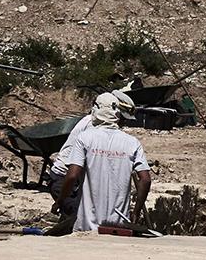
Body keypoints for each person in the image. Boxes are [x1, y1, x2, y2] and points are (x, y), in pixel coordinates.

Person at [54, 94, 153, 234]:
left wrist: (59, 201)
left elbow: (72, 176)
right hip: (117, 228)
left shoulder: (85, 138)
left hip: (86, 226)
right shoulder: (132, 142)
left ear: (96, 110)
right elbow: (146, 179)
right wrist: (136, 211)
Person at [44, 90, 132, 235]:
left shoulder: (97, 124)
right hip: (65, 178)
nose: (123, 122)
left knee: (74, 218)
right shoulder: (94, 126)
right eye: (123, 118)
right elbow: (78, 171)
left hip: (72, 179)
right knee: (75, 218)